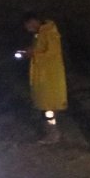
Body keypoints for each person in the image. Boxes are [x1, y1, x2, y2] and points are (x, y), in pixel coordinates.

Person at [21, 14, 68, 143]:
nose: (27, 29)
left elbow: (51, 53)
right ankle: (51, 132)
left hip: (49, 76)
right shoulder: (40, 34)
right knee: (45, 105)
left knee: (48, 106)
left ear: (33, 21)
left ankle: (52, 134)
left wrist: (33, 54)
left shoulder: (49, 33)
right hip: (42, 75)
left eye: (28, 26)